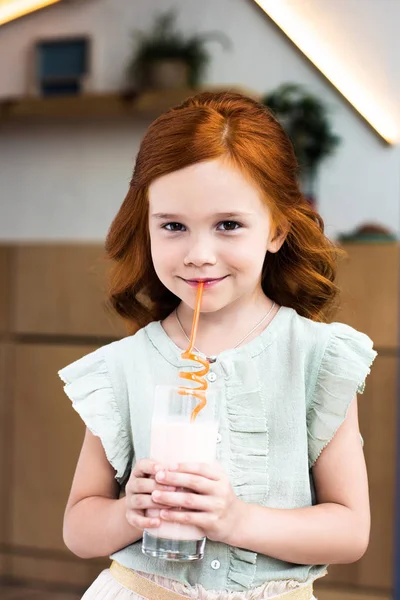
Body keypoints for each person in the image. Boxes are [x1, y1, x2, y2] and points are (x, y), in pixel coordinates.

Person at [59, 91, 377, 600]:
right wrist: (127, 512)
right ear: (146, 227)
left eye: (228, 225)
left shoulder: (317, 357)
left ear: (276, 229)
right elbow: (79, 529)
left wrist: (235, 519)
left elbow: (349, 531)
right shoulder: (126, 366)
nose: (199, 255)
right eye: (173, 227)